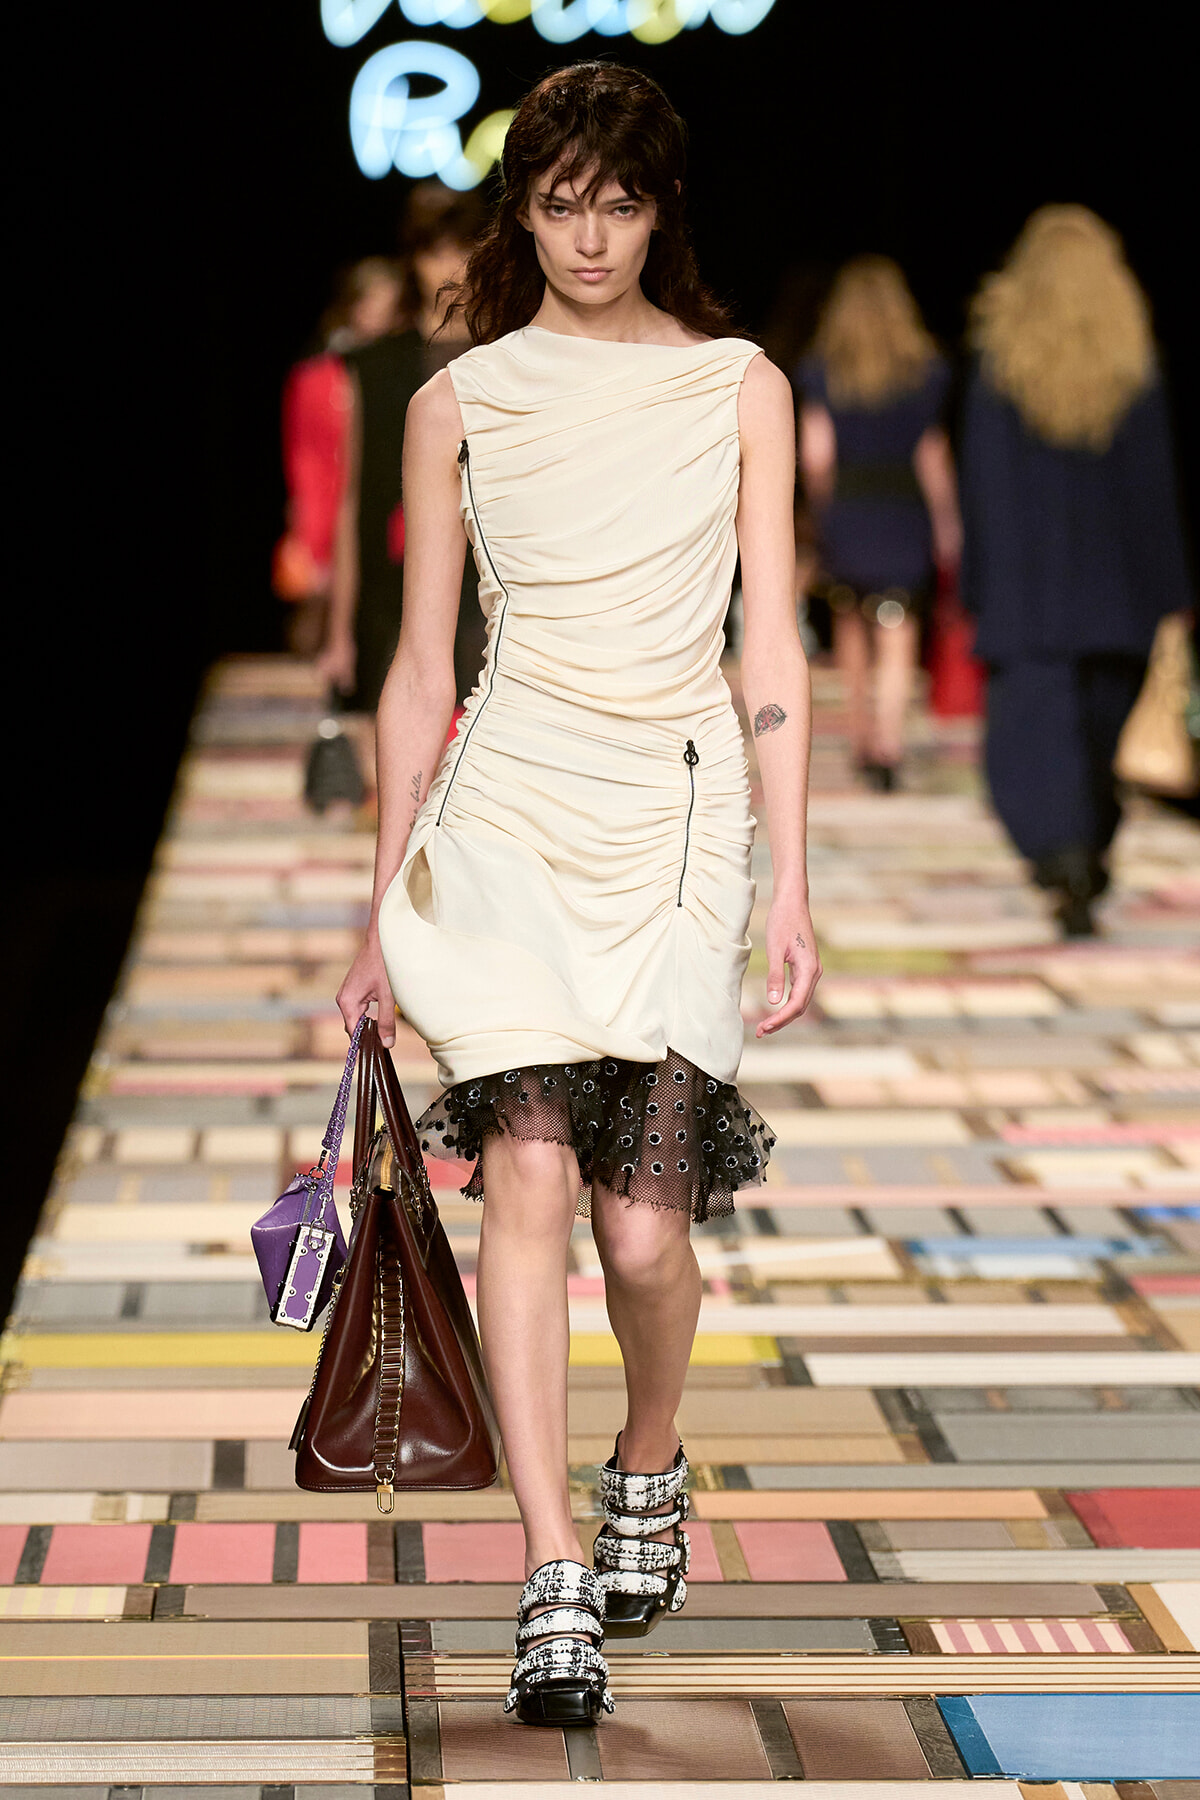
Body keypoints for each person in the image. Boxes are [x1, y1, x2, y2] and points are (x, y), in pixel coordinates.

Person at [335, 62, 821, 1727]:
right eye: (563, 200)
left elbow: (769, 640)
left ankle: (650, 1455)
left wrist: (793, 871)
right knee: (529, 1184)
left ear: (659, 207)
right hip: (511, 822)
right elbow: (418, 674)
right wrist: (375, 907)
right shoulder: (458, 404)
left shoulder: (737, 387)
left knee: (648, 1226)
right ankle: (552, 1565)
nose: (592, 231)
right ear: (522, 209)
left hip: (679, 820)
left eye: (620, 200)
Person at [961, 206, 1194, 935]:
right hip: (1116, 597)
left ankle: (1061, 857)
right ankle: (1085, 852)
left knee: (1031, 743)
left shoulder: (1000, 368)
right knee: (1098, 742)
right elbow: (1153, 494)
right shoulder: (1133, 368)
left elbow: (986, 490)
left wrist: (980, 589)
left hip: (1030, 599)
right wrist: (1171, 595)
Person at [318, 184, 487, 717]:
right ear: (413, 258)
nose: (449, 268)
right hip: (392, 588)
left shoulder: (510, 357)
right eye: (434, 250)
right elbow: (354, 499)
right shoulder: (376, 367)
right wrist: (338, 631)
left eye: (462, 249)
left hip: (489, 592)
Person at [798, 257, 961, 788]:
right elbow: (932, 456)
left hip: (849, 510)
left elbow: (816, 456)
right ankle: (888, 746)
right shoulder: (927, 372)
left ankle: (862, 737)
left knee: (851, 623)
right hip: (902, 514)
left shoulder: (823, 371)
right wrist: (946, 524)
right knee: (897, 627)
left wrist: (821, 514)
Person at [274, 259, 405, 654]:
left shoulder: (407, 373)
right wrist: (309, 531)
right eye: (372, 304)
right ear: (352, 306)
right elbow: (305, 456)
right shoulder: (317, 376)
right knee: (319, 613)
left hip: (386, 512)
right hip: (330, 510)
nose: (381, 316)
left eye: (390, 307)